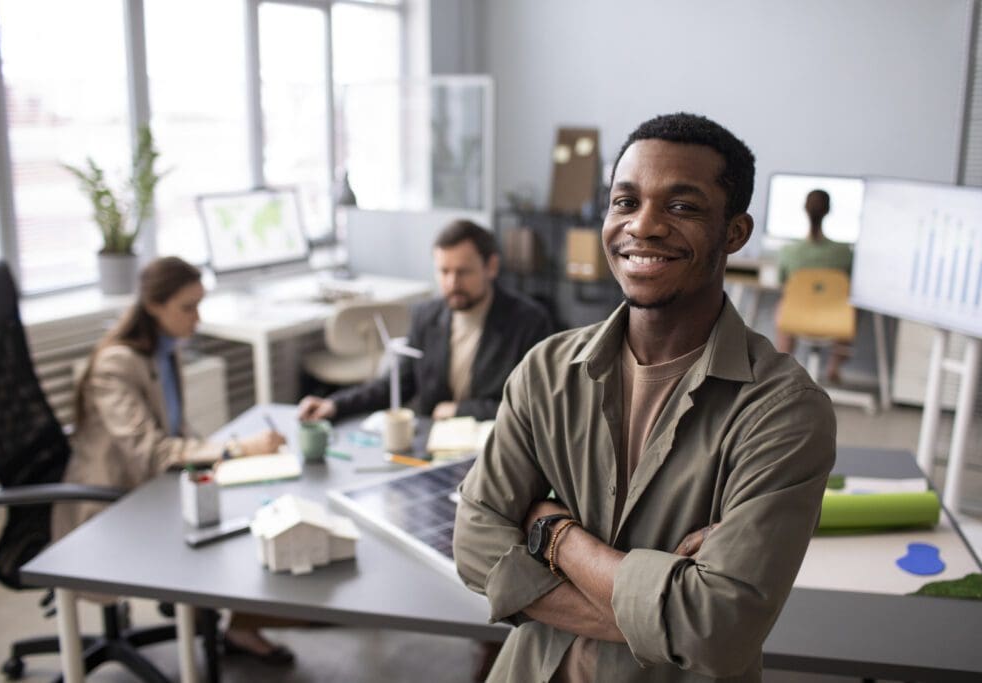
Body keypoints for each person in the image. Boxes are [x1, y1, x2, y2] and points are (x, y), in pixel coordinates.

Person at [453, 113, 836, 682]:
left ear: (735, 232)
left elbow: (719, 628)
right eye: (625, 202)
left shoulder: (783, 410)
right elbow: (475, 544)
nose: (643, 226)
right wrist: (667, 614)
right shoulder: (547, 371)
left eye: (682, 207)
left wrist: (555, 538)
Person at [51, 256, 296, 665]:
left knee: (256, 505)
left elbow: (177, 432)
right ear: (153, 305)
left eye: (200, 305)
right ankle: (223, 625)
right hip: (111, 505)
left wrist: (227, 451)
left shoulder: (164, 350)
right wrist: (237, 449)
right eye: (187, 307)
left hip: (151, 486)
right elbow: (152, 452)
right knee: (232, 526)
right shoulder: (115, 365)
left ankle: (238, 625)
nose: (197, 318)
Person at [298, 220, 552, 423]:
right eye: (444, 271)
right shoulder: (425, 316)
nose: (452, 283)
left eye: (463, 272)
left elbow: (535, 406)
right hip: (433, 447)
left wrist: (462, 410)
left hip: (497, 447)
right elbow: (396, 384)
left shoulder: (529, 322)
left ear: (491, 267)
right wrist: (335, 405)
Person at [775, 189, 854, 383]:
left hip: (796, 317)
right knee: (852, 307)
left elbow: (782, 282)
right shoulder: (845, 253)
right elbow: (850, 286)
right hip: (837, 319)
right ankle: (834, 365)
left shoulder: (788, 252)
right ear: (828, 211)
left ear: (805, 210)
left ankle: (785, 365)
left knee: (785, 304)